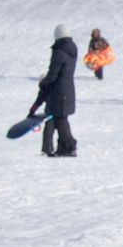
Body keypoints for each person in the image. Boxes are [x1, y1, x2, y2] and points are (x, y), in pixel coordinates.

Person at [31, 25, 78, 158]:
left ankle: (70, 145)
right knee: (62, 119)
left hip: (58, 91)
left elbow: (53, 75)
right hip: (68, 91)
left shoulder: (59, 51)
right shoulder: (72, 48)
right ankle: (64, 147)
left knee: (60, 121)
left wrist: (43, 83)